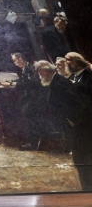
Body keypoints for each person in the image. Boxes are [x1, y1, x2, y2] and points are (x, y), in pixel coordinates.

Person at [35, 60, 92, 191]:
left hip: (79, 128)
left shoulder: (60, 84)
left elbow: (78, 105)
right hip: (75, 128)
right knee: (82, 160)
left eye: (39, 72)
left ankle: (88, 190)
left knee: (82, 159)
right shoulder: (56, 81)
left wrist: (72, 122)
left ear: (44, 71)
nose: (38, 75)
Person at [1, 52, 48, 151]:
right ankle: (32, 142)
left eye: (15, 60)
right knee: (26, 114)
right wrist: (10, 83)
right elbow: (22, 81)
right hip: (31, 98)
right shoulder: (24, 69)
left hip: (37, 98)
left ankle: (33, 143)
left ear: (20, 59)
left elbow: (33, 83)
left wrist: (12, 85)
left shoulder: (32, 68)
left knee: (28, 114)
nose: (15, 63)